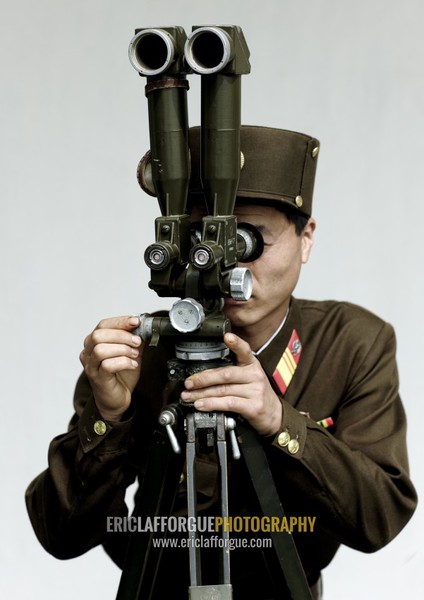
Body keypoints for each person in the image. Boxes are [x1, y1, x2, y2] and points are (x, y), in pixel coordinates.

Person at [26, 126, 417, 599]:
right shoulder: (138, 354)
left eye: (249, 241)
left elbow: (379, 519)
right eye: (206, 240)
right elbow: (61, 536)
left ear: (305, 238)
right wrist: (109, 418)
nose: (230, 269)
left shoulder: (352, 342)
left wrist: (281, 424)